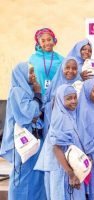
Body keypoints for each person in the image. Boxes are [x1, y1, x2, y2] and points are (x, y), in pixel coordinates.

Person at [0, 62, 45, 200]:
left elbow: (37, 113)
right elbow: (31, 113)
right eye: (30, 72)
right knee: (22, 175)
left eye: (33, 72)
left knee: (35, 176)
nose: (33, 76)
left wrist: (35, 105)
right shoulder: (17, 91)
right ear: (21, 75)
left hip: (34, 139)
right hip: (24, 142)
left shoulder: (28, 90)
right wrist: (37, 95)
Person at [34, 84, 85, 200]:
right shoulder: (60, 118)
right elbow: (56, 148)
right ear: (60, 100)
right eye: (68, 98)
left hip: (65, 168)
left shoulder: (69, 115)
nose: (73, 101)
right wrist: (71, 174)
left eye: (75, 97)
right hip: (61, 171)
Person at [43, 57, 80, 137]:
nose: (70, 71)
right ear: (62, 68)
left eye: (74, 68)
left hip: (75, 128)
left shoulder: (80, 85)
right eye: (67, 67)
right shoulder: (55, 83)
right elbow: (45, 103)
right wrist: (54, 103)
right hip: (55, 126)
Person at [29, 28, 64, 96]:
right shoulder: (33, 59)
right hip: (38, 97)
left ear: (54, 40)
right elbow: (28, 78)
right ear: (39, 43)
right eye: (43, 41)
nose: (47, 43)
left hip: (55, 98)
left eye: (49, 39)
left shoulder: (61, 59)